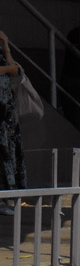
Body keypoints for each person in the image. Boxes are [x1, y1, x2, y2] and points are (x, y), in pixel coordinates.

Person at [0, 30, 28, 212]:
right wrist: (8, 70)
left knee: (8, 150)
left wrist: (5, 45)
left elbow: (14, 67)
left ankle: (7, 195)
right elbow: (10, 69)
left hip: (6, 109)